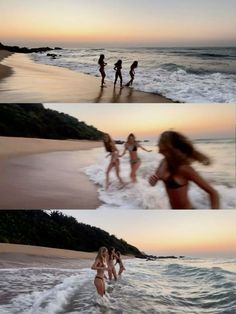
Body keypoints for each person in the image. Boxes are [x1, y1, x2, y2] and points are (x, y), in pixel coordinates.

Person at [149, 131, 220, 209]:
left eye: (160, 141)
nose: (158, 144)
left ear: (167, 145)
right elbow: (155, 180)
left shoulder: (184, 169)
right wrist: (152, 181)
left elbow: (213, 193)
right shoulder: (163, 162)